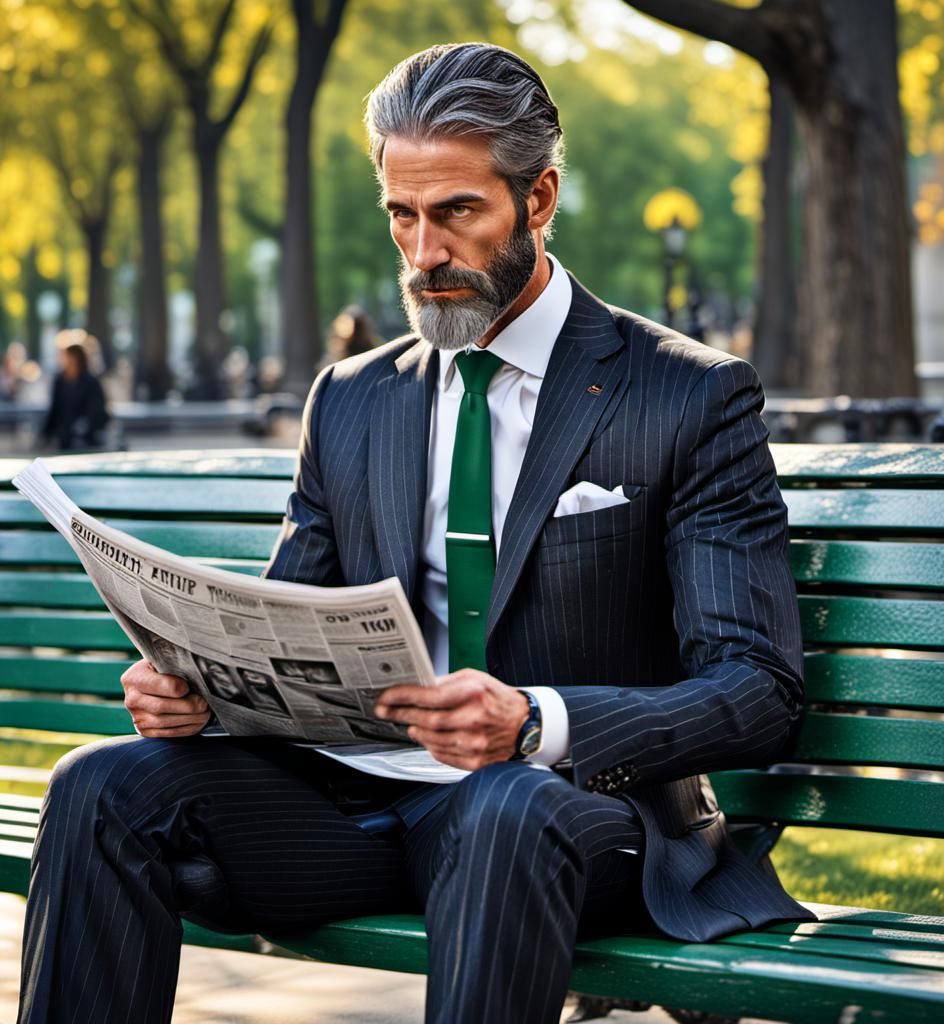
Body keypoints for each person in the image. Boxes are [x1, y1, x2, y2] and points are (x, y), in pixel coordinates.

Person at [17, 43, 812, 1024]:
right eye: (402, 215)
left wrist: (535, 721)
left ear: (539, 197)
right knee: (100, 786)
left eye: (456, 213)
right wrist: (200, 693)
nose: (424, 252)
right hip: (353, 805)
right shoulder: (353, 400)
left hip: (576, 809)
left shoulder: (685, 396)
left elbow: (757, 688)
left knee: (502, 806)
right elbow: (284, 621)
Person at [38, 330, 109, 451]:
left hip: (88, 441)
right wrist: (45, 435)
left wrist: (84, 428)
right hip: (64, 440)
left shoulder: (91, 382)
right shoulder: (59, 381)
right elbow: (55, 409)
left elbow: (97, 411)